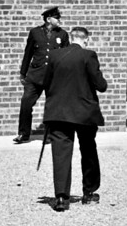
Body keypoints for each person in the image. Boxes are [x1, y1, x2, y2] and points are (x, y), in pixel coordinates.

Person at [39, 23, 108, 211]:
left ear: (70, 38)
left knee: (61, 153)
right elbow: (100, 85)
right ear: (86, 40)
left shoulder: (55, 56)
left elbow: (46, 83)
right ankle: (89, 192)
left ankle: (61, 197)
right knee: (88, 150)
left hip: (59, 111)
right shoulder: (88, 55)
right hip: (84, 111)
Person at [14, 6, 69, 143]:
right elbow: (28, 53)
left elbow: (66, 57)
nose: (59, 20)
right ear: (48, 19)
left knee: (52, 106)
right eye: (57, 18)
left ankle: (50, 134)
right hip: (35, 75)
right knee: (26, 104)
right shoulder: (35, 32)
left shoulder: (63, 34)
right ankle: (23, 133)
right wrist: (23, 73)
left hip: (53, 77)